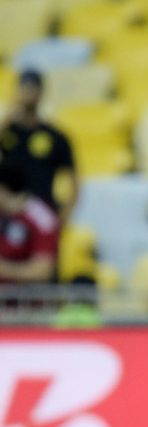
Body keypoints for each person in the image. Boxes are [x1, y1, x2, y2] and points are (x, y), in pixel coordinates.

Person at [0, 70, 79, 224]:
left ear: (42, 92)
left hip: (43, 210)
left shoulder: (55, 136)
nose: (28, 93)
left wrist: (64, 214)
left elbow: (74, 180)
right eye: (24, 87)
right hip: (9, 210)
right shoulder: (7, 132)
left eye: (32, 88)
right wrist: (12, 111)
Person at [0, 162, 59, 284]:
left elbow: (42, 270)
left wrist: (5, 269)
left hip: (25, 300)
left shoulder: (42, 218)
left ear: (4, 190)